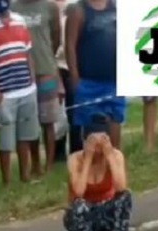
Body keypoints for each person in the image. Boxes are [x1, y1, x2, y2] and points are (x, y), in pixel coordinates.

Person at [0, 0, 40, 185]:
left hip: (26, 87)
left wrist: (32, 78)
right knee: (6, 139)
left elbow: (27, 52)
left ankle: (25, 175)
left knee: (25, 135)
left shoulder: (20, 20)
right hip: (5, 91)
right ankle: (7, 180)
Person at [65, 114, 134, 231]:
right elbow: (78, 192)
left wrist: (109, 155)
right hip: (80, 219)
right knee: (79, 204)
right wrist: (88, 158)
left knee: (126, 195)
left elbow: (121, 187)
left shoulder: (115, 155)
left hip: (104, 215)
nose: (98, 150)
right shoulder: (75, 160)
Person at [13, 0, 63, 175]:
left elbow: (56, 37)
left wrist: (47, 54)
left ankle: (49, 164)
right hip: (22, 73)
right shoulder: (14, 8)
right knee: (29, 122)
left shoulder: (49, 7)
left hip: (46, 71)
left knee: (48, 121)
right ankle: (35, 164)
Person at [65, 0, 124, 148]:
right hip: (88, 81)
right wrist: (75, 77)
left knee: (115, 121)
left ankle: (114, 164)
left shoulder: (115, 7)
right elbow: (70, 45)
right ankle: (94, 168)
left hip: (113, 78)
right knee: (93, 130)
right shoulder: (78, 10)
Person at [54, 0, 81, 162]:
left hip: (72, 66)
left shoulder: (75, 5)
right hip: (54, 67)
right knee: (55, 113)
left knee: (75, 111)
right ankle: (57, 153)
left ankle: (76, 151)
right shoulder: (49, 6)